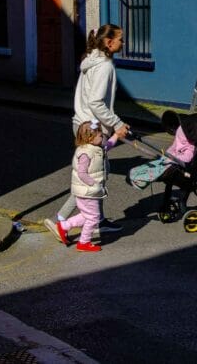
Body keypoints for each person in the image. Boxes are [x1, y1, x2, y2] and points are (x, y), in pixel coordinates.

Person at [52, 24, 130, 236]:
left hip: (83, 123)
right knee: (93, 177)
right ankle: (61, 219)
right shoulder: (104, 66)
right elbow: (96, 102)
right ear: (109, 42)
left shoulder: (90, 60)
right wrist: (116, 124)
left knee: (99, 172)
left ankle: (99, 220)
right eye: (120, 39)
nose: (123, 43)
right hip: (93, 126)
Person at [45, 120, 125, 252]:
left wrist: (116, 135)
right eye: (100, 135)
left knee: (87, 215)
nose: (102, 137)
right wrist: (94, 184)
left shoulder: (95, 148)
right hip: (87, 191)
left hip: (87, 191)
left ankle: (64, 226)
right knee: (93, 217)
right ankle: (84, 242)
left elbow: (108, 146)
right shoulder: (85, 153)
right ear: (90, 138)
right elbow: (82, 173)